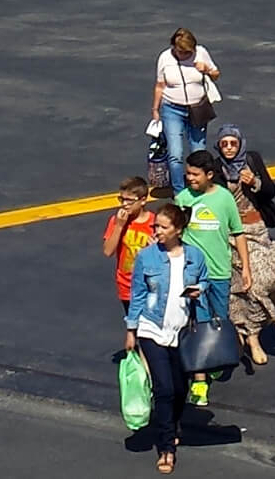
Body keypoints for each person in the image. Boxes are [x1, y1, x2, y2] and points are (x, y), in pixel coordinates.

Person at [124, 201, 204, 473]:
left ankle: (173, 421)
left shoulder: (194, 256)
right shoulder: (147, 257)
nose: (156, 231)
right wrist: (131, 330)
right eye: (156, 226)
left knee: (180, 389)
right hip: (151, 328)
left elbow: (204, 280)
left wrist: (200, 289)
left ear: (178, 230)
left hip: (181, 331)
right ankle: (166, 447)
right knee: (164, 389)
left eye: (162, 227)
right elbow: (138, 294)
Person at [175, 152, 249, 407]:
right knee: (200, 322)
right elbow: (176, 232)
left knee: (220, 320)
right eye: (188, 173)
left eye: (195, 174)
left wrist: (246, 268)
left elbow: (238, 233)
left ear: (209, 175)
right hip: (193, 273)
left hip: (219, 271)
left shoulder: (224, 198)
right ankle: (200, 381)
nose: (190, 178)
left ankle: (215, 359)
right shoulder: (183, 198)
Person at [213, 124, 275, 368]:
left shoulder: (252, 160)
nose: (229, 148)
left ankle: (255, 327)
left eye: (233, 143)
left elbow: (270, 191)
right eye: (224, 144)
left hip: (258, 229)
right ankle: (249, 336)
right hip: (233, 234)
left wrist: (255, 182)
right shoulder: (216, 169)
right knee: (247, 286)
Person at [148, 29, 220, 188]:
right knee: (175, 153)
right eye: (180, 52)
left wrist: (207, 69)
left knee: (198, 151)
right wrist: (155, 109)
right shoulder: (165, 58)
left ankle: (199, 187)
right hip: (172, 109)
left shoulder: (201, 53)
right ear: (173, 46)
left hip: (197, 108)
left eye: (188, 52)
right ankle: (179, 191)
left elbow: (216, 74)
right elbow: (160, 85)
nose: (184, 55)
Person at [101, 175, 158, 317]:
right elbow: (108, 251)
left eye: (129, 200)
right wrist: (119, 226)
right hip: (127, 287)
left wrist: (155, 248)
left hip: (149, 286)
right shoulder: (116, 221)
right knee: (133, 323)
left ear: (143, 200)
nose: (124, 204)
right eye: (122, 199)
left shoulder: (155, 222)